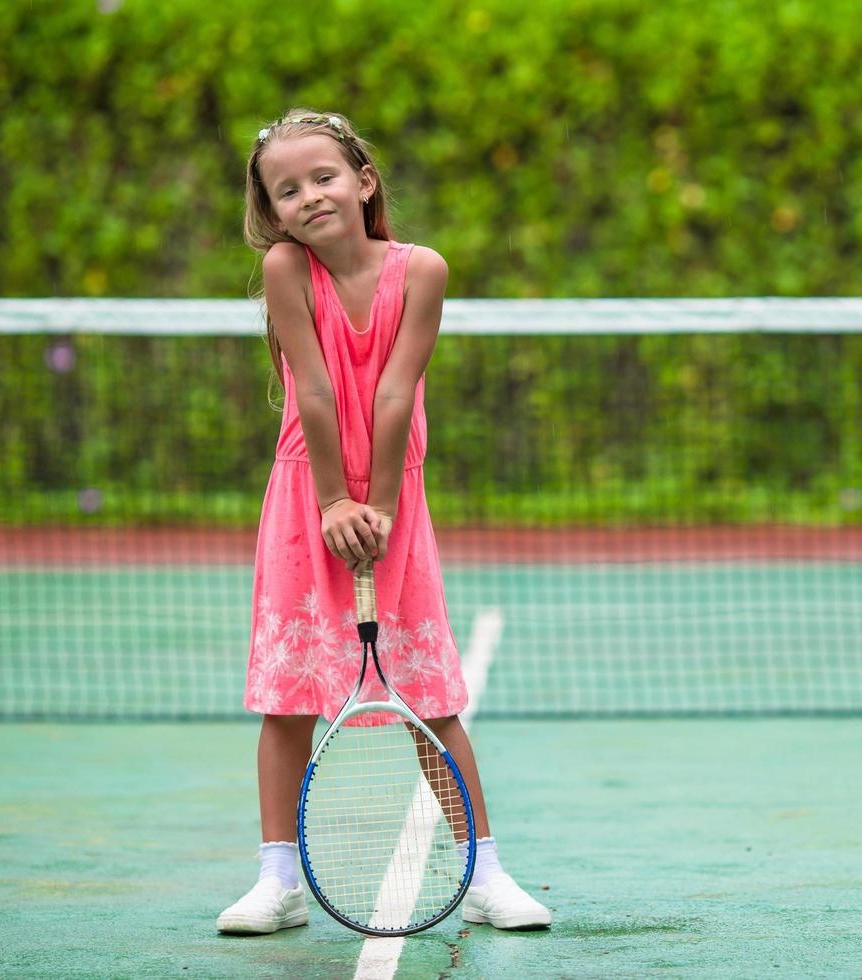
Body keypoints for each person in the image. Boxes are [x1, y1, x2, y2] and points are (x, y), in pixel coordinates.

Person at [216, 108, 550, 935]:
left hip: (395, 501)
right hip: (307, 499)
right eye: (285, 190)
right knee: (287, 701)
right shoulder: (286, 269)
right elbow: (319, 390)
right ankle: (277, 882)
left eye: (324, 177)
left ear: (364, 181)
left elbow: (396, 391)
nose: (308, 197)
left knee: (431, 699)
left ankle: (485, 873)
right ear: (273, 210)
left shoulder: (422, 269)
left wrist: (382, 506)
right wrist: (333, 500)